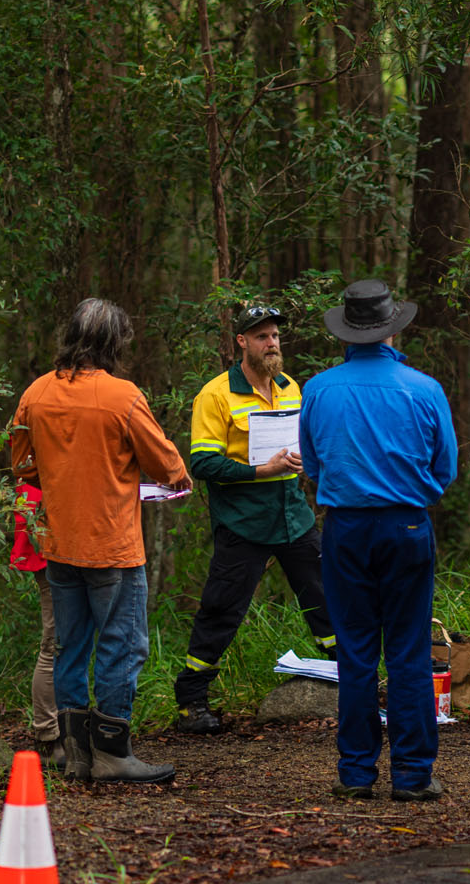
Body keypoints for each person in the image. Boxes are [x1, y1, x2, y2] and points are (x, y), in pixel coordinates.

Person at [10, 298, 189, 784]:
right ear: (113, 343)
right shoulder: (122, 396)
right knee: (122, 645)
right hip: (113, 544)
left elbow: (22, 465)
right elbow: (168, 466)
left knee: (71, 646)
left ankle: (76, 753)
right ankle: (112, 752)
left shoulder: (37, 393)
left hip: (58, 542)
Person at [299, 280, 458, 802]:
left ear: (346, 332)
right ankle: (412, 776)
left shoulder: (320, 389)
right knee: (408, 651)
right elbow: (445, 469)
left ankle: (356, 773)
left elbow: (314, 466)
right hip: (407, 526)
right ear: (393, 329)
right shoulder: (424, 388)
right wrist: (411, 495)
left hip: (345, 529)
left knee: (356, 653)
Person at [173, 305, 337, 734]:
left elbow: (304, 441)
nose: (272, 344)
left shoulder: (290, 387)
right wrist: (259, 470)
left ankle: (352, 682)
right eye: (262, 337)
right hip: (244, 522)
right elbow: (204, 464)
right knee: (222, 608)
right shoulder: (215, 395)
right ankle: (192, 700)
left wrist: (305, 459)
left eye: (276, 336)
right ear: (241, 342)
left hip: (293, 517)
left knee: (326, 596)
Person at [11, 482, 61, 766]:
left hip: (54, 520)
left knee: (65, 641)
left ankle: (65, 729)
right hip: (45, 525)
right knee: (54, 642)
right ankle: (48, 736)